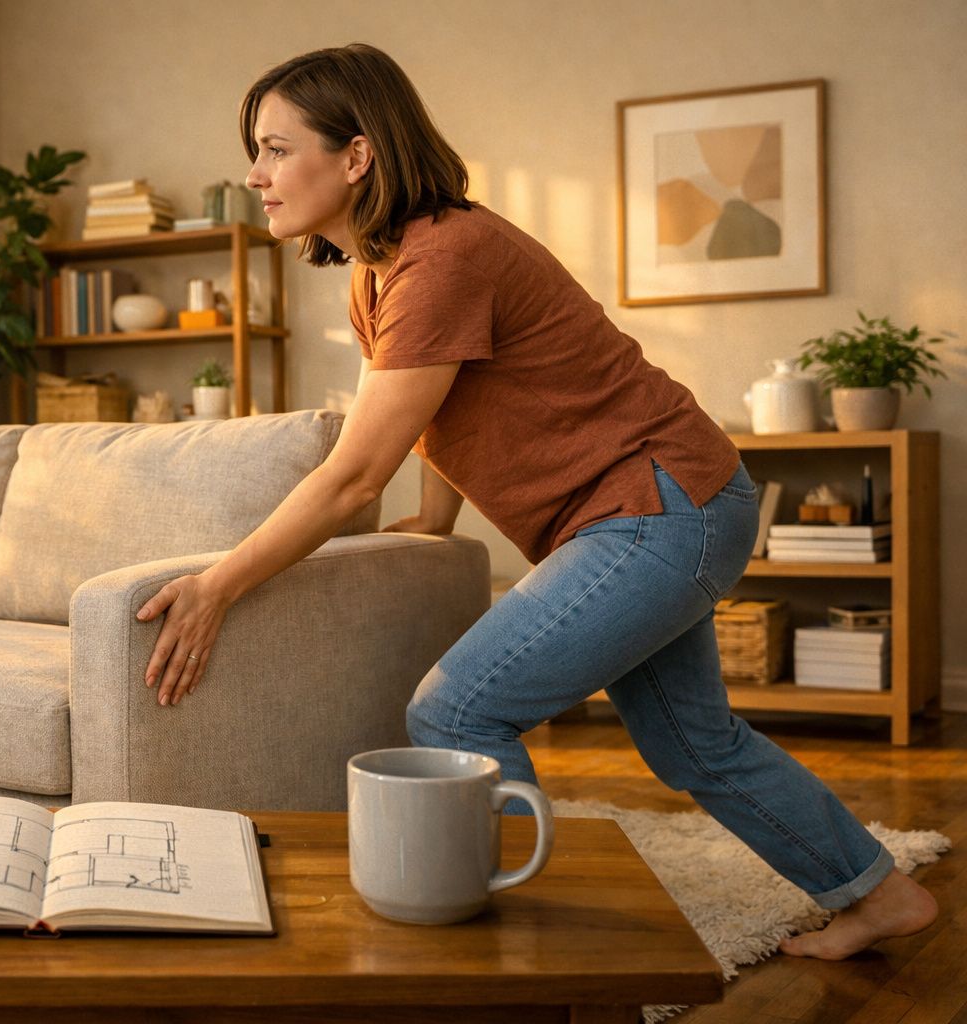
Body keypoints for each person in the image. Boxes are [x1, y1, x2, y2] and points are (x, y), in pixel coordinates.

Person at [132, 43, 937, 960]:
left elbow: (355, 473)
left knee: (460, 712)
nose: (256, 174)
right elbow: (434, 408)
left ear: (356, 157)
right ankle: (877, 892)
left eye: (277, 149)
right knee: (694, 745)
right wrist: (436, 519)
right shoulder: (380, 274)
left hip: (659, 503)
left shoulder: (443, 257)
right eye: (257, 151)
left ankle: (516, 944)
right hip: (667, 503)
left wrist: (218, 585)